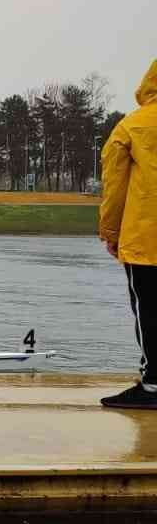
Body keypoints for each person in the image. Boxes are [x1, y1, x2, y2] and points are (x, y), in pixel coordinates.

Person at [99, 59, 157, 408]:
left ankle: (153, 385)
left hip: (146, 240)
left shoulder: (132, 127)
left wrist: (110, 232)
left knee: (149, 309)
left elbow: (115, 186)